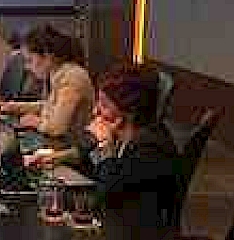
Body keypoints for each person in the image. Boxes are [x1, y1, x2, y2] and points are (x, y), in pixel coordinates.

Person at [76, 64, 179, 229]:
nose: (95, 111)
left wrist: (105, 146)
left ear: (129, 111)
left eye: (104, 105)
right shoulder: (126, 135)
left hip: (138, 234)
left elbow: (107, 196)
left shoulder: (149, 148)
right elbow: (92, 169)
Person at [0, 26, 94, 141]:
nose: (27, 67)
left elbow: (56, 128)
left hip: (71, 146)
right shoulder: (57, 72)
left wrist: (34, 121)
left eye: (29, 60)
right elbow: (50, 107)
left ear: (48, 56)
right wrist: (14, 107)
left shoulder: (72, 77)